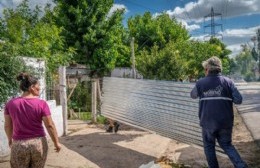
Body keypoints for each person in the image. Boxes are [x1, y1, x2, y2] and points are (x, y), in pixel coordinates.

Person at [190, 56, 247, 168]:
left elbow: (193, 95)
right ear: (219, 68)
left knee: (209, 147)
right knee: (227, 145)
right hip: (225, 122)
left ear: (207, 69)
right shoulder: (228, 82)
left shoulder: (201, 83)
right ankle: (241, 166)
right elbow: (238, 100)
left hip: (207, 123)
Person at [4, 72, 61, 168]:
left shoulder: (10, 104)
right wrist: (56, 143)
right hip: (38, 144)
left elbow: (7, 125)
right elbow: (49, 125)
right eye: (38, 86)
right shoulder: (41, 104)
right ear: (32, 87)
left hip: (19, 144)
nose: (40, 88)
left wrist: (10, 139)